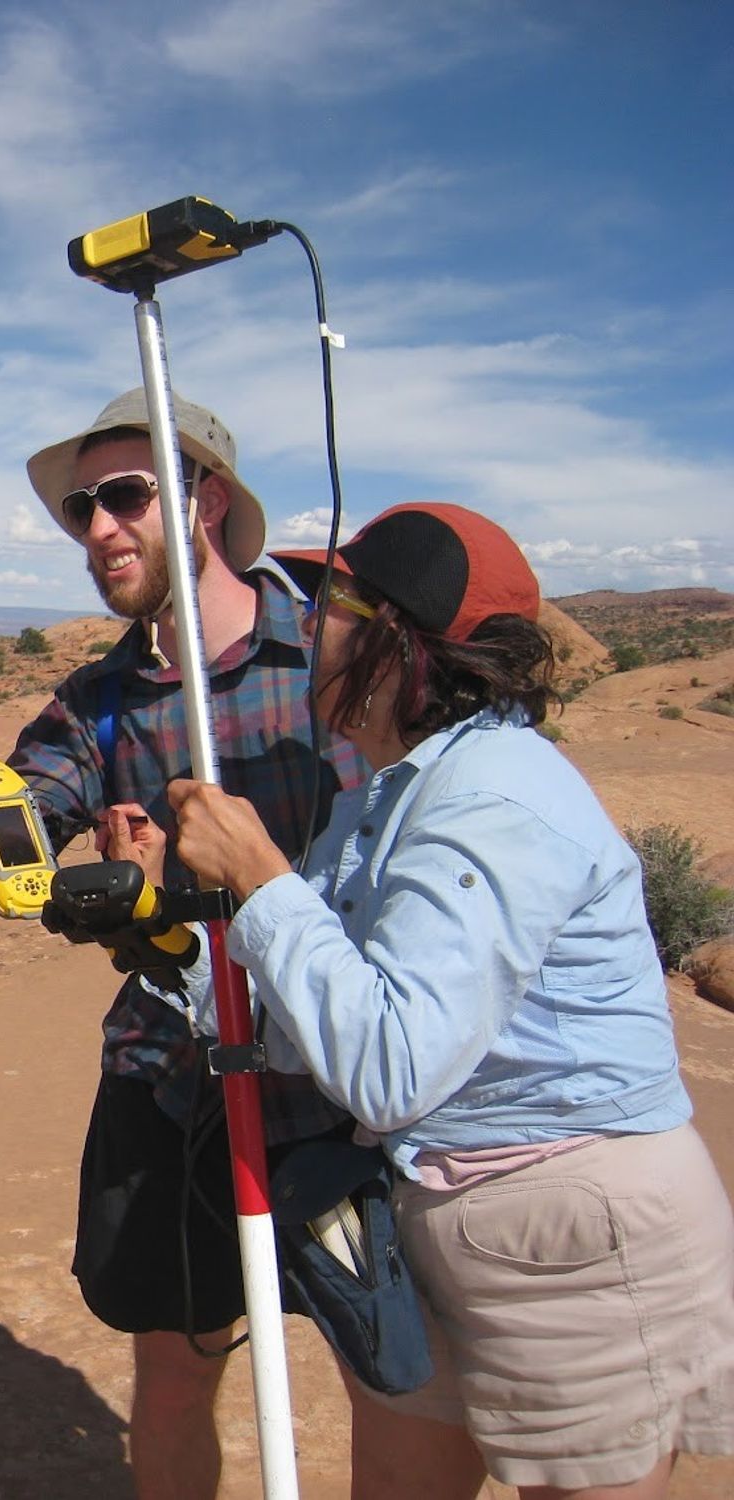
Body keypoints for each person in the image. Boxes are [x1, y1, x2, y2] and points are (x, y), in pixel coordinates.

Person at [0, 389, 385, 1498]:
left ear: (207, 501)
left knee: (390, 1372)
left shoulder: (332, 663)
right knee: (174, 1368)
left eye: (125, 496)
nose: (97, 528)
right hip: (176, 1085)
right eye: (81, 509)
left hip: (345, 1083)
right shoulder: (91, 707)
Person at [162, 502, 734, 1500]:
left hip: (571, 1234)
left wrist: (260, 880)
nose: (304, 629)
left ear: (396, 640)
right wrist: (167, 937)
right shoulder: (381, 796)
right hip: (433, 1208)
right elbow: (304, 1022)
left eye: (327, 604)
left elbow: (387, 1065)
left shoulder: (491, 799)